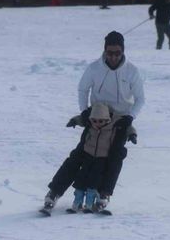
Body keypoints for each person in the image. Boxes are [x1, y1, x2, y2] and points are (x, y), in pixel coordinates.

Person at [44, 31, 145, 210]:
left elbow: (140, 99)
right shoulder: (94, 68)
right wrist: (85, 113)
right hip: (96, 118)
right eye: (110, 52)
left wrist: (130, 117)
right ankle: (54, 192)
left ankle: (104, 194)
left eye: (117, 53)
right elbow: (83, 89)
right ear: (104, 51)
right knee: (79, 156)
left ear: (123, 51)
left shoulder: (132, 71)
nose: (113, 57)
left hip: (119, 122)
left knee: (114, 158)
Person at [69, 102, 126, 211]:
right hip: (88, 157)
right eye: (94, 121)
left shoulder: (112, 127)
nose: (97, 123)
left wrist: (132, 135)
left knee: (93, 183)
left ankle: (91, 204)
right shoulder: (91, 126)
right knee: (80, 181)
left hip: (102, 159)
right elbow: (81, 119)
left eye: (100, 121)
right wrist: (74, 121)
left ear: (106, 120)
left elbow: (128, 127)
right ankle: (77, 203)